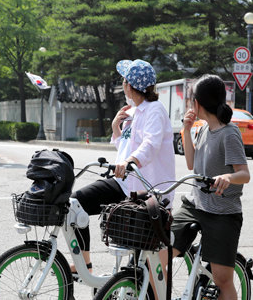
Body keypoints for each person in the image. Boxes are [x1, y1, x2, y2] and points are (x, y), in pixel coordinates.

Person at [70, 59, 175, 273]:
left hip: (147, 189)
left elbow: (150, 144)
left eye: (124, 79)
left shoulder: (154, 110)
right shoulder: (133, 111)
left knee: (139, 263)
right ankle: (85, 264)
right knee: (75, 203)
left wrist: (130, 161)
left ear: (129, 85)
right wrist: (115, 128)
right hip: (125, 184)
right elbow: (126, 148)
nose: (123, 84)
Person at [172, 74, 250, 300]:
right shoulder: (203, 129)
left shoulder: (229, 133)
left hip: (222, 213)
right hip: (195, 205)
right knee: (161, 252)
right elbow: (191, 163)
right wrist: (186, 130)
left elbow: (244, 174)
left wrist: (228, 177)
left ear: (197, 102)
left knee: (222, 279)